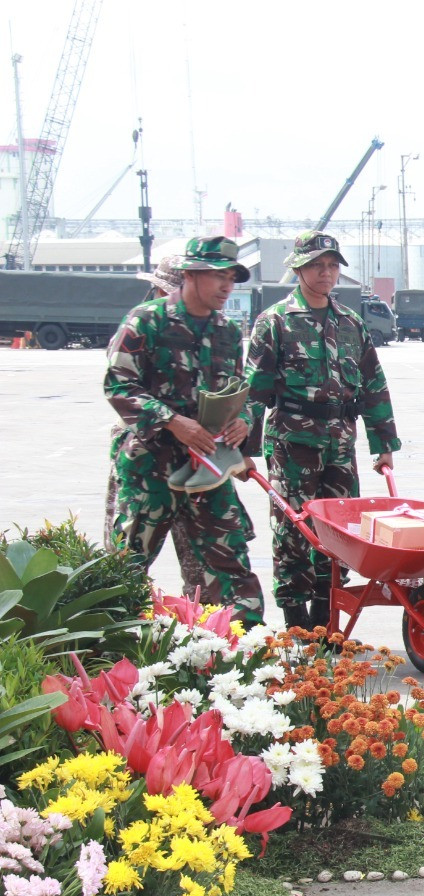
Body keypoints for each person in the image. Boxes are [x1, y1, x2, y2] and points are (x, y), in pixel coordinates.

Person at [105, 236, 265, 626]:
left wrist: (242, 419)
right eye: (218, 277)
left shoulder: (227, 332)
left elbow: (236, 388)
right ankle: (104, 653)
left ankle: (247, 660)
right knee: (126, 566)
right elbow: (118, 384)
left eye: (231, 277)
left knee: (232, 563)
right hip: (150, 466)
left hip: (208, 468)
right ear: (190, 275)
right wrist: (172, 422)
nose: (227, 286)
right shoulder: (147, 320)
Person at [246, 232, 401, 630]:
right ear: (298, 269)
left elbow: (373, 384)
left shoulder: (351, 324)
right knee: (293, 531)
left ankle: (325, 617)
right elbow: (253, 390)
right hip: (291, 444)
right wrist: (244, 449)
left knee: (341, 531)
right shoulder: (275, 322)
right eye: (317, 265)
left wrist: (383, 443)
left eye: (332, 266)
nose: (326, 273)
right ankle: (296, 624)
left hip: (340, 444)